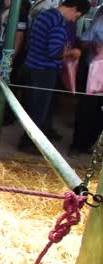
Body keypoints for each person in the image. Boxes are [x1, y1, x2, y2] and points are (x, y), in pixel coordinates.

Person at [18, 0, 91, 154]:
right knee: (39, 110)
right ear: (74, 8)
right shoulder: (58, 22)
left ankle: (31, 139)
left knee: (33, 106)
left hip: (32, 65)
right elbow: (54, 53)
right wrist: (72, 52)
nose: (74, 19)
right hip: (44, 70)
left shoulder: (45, 15)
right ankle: (29, 143)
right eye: (77, 15)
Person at [69, 6, 103, 156]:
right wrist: (96, 46)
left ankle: (89, 143)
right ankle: (77, 146)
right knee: (87, 109)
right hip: (94, 73)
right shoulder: (101, 20)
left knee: (100, 114)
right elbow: (84, 41)